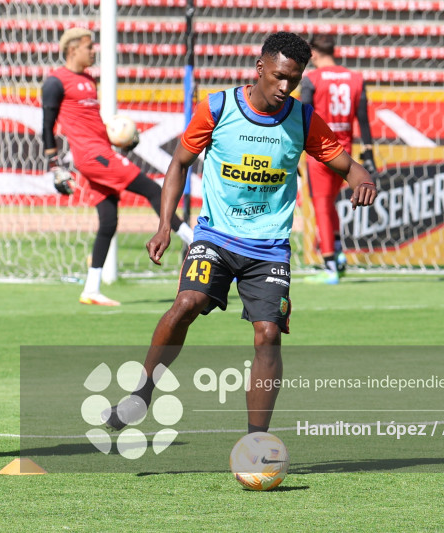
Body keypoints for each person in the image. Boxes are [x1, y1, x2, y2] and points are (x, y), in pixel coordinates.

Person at [102, 32, 376, 435]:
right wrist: (165, 225)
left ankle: (256, 441)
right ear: (260, 68)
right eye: (280, 76)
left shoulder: (302, 119)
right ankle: (141, 394)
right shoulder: (218, 108)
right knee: (186, 304)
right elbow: (178, 165)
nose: (285, 87)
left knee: (268, 335)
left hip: (269, 249)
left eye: (295, 79)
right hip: (215, 237)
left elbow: (349, 166)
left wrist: (363, 180)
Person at [41, 27, 193, 306]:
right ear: (73, 49)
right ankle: (195, 244)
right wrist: (54, 166)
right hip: (93, 156)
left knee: (109, 219)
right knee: (153, 190)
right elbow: (47, 126)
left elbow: (86, 121)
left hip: (100, 151)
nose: (93, 51)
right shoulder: (55, 82)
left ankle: (91, 288)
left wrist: (117, 139)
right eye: (88, 46)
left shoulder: (87, 79)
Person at [300, 34, 377, 284]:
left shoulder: (311, 79)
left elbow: (304, 118)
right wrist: (369, 153)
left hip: (320, 151)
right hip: (345, 153)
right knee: (331, 202)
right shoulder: (355, 79)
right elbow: (363, 119)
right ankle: (340, 255)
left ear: (314, 53)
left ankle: (329, 264)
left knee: (321, 205)